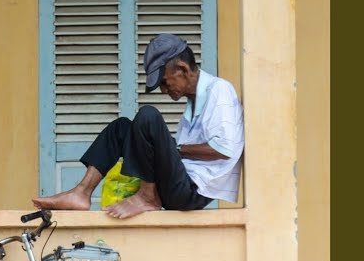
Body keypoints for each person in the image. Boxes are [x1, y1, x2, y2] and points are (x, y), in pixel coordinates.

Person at [32, 33, 245, 218]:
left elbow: (224, 149)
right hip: (177, 184)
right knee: (122, 127)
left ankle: (147, 196)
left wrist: (175, 149)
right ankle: (81, 192)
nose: (164, 90)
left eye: (164, 82)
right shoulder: (192, 104)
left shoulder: (219, 90)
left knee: (148, 116)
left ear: (182, 68)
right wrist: (166, 150)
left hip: (191, 191)